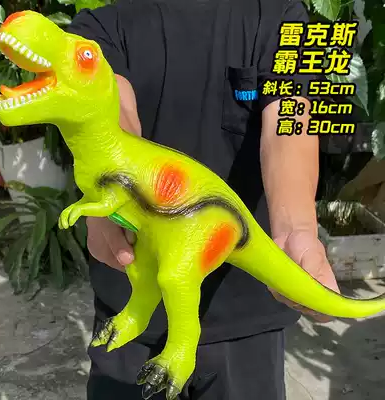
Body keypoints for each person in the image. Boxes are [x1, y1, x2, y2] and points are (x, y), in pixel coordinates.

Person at [66, 0, 340, 398]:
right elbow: (113, 109)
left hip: (245, 317)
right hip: (132, 305)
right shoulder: (99, 27)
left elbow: (289, 120)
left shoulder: (284, 16)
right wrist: (110, 186)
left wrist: (297, 231)